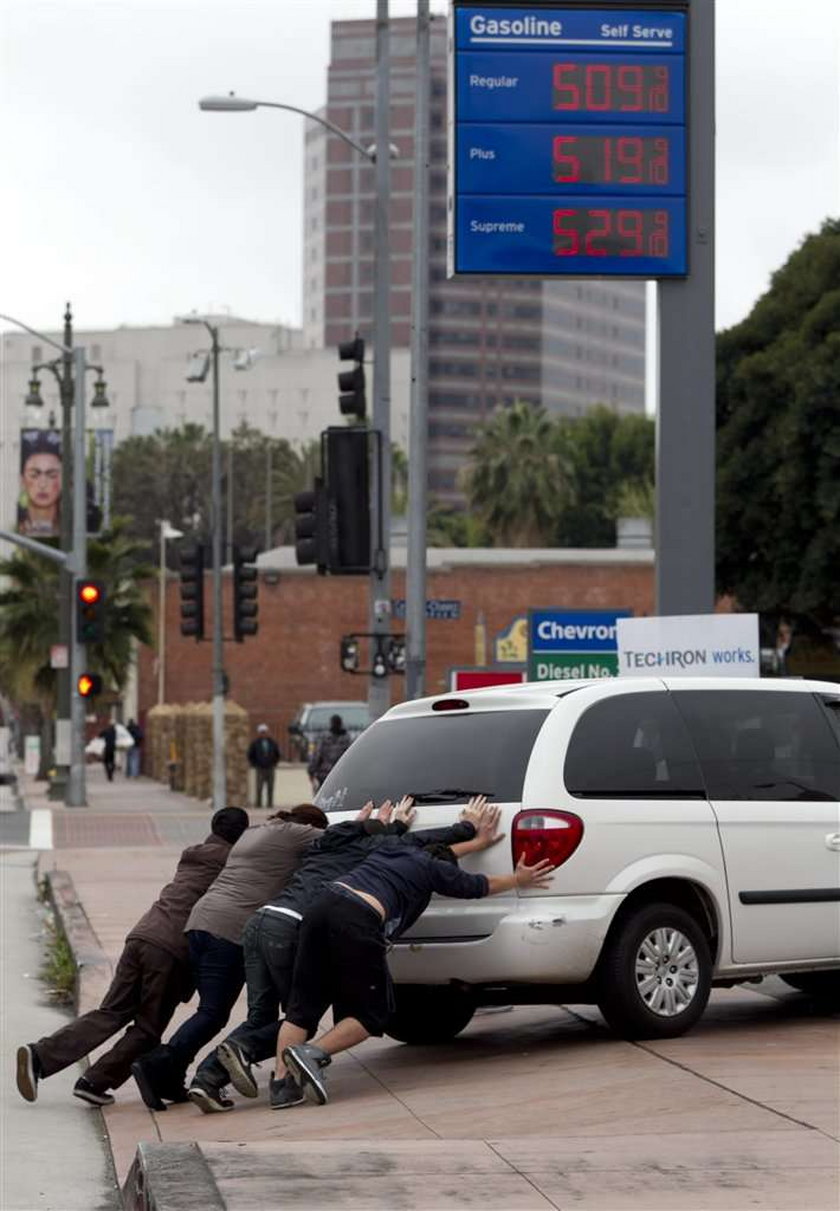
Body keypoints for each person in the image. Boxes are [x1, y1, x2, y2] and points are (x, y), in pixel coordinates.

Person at [187, 795, 501, 1113]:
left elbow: (391, 837)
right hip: (296, 926)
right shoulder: (376, 851)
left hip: (260, 922)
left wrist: (378, 824)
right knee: (304, 1014)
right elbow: (421, 843)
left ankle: (211, 1078)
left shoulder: (325, 843)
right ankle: (247, 1052)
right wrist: (464, 828)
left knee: (268, 1016)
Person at [271, 830, 554, 1109]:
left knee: (301, 1007)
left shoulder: (393, 847)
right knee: (372, 1015)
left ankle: (282, 1086)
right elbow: (477, 886)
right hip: (357, 917)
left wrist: (474, 839)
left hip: (321, 905)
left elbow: (439, 847)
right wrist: (518, 879)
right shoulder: (431, 868)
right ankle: (312, 1054)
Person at [15, 807, 249, 1108]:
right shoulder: (231, 863)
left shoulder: (192, 854)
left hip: (142, 934)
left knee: (110, 1011)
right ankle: (94, 1080)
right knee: (149, 1028)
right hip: (170, 950)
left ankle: (40, 1056)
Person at [130, 803, 326, 1110]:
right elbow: (337, 835)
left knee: (212, 1011)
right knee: (213, 1013)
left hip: (200, 921)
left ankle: (172, 1074)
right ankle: (158, 1064)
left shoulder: (255, 833)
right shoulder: (295, 833)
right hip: (230, 929)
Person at [17, 429, 62, 538]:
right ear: (22, 479)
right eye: (34, 475)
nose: (43, 484)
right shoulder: (14, 525)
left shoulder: (77, 525)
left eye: (51, 475)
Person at [307, 714, 351, 791]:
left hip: (324, 774)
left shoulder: (324, 738)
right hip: (340, 774)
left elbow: (317, 755)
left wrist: (311, 771)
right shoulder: (347, 739)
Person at [247, 723, 282, 808]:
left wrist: (274, 763)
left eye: (265, 732)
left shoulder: (272, 742)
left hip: (270, 768)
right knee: (259, 787)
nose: (263, 734)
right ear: (259, 733)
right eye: (262, 732)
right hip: (260, 768)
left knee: (270, 787)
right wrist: (254, 764)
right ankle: (258, 804)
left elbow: (277, 754)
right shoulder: (255, 743)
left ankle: (269, 804)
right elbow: (250, 754)